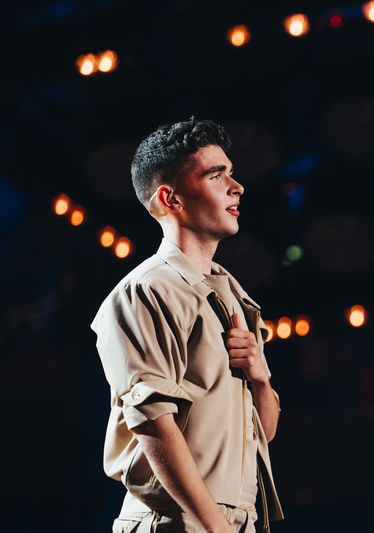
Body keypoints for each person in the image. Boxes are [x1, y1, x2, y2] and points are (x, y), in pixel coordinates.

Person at [90, 117, 284, 532]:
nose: (237, 186)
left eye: (231, 173)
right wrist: (214, 527)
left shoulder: (233, 295)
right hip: (177, 523)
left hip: (237, 521)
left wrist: (261, 379)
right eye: (216, 175)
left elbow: (261, 436)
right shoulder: (145, 291)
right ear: (170, 198)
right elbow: (152, 422)